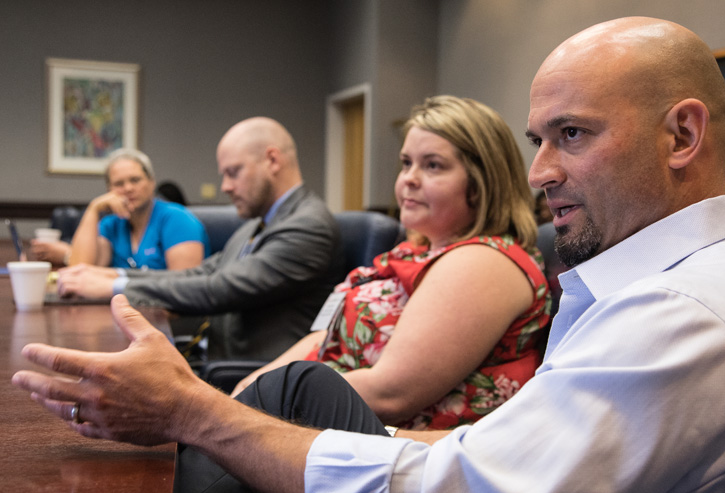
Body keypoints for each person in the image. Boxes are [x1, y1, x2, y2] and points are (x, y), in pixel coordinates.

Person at [13, 17, 725, 493]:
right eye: (538, 140)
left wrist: (192, 411)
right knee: (296, 398)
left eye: (571, 134)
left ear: (683, 134)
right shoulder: (671, 284)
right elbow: (515, 451)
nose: (542, 172)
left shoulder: (687, 313)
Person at [233, 95, 551, 431]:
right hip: (322, 425)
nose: (409, 178)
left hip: (394, 457)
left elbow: (391, 393)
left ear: (483, 181)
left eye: (433, 165)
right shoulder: (418, 250)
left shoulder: (485, 262)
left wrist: (264, 404)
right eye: (406, 163)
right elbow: (323, 337)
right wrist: (254, 387)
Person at [56, 117, 343, 362]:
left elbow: (218, 289)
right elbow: (204, 271)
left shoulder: (306, 224)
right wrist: (112, 273)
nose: (225, 187)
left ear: (272, 160)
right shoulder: (259, 223)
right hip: (213, 356)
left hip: (253, 374)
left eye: (233, 172)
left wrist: (115, 287)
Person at [28, 156, 208, 269]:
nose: (128, 188)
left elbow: (184, 288)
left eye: (135, 180)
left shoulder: (177, 219)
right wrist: (93, 209)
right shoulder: (112, 224)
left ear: (152, 182)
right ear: (109, 190)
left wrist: (115, 281)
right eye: (119, 184)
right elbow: (80, 269)